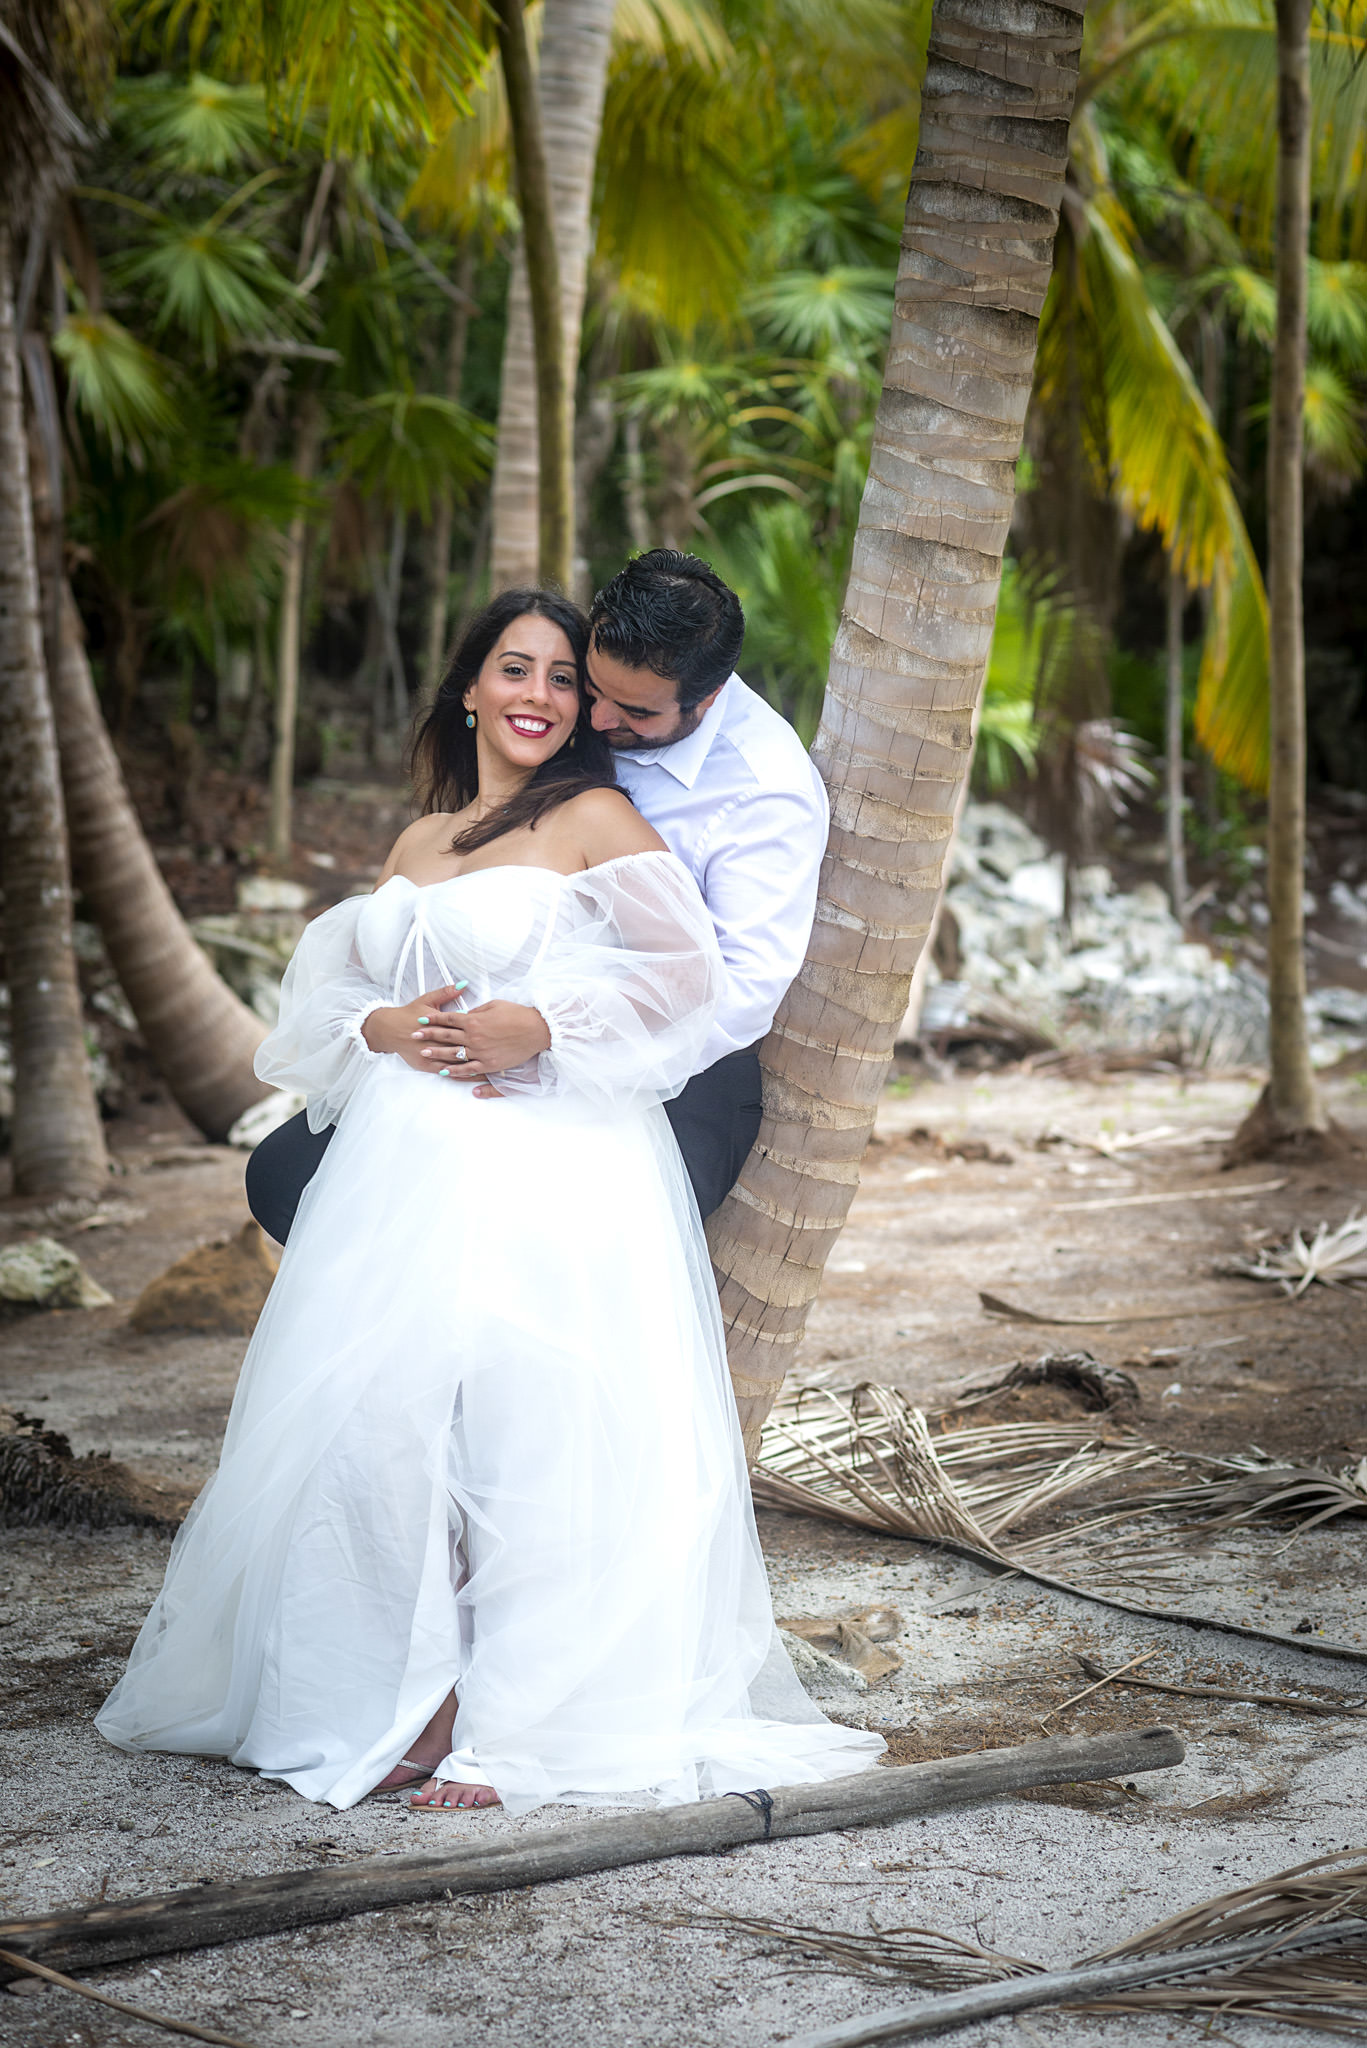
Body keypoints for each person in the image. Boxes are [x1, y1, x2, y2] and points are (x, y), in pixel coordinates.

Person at [97, 590, 882, 1815]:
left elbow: (689, 981)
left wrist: (546, 1026)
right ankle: (393, 1679)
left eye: (563, 680)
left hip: (545, 1148)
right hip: (401, 1164)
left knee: (522, 1424)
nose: (543, 696)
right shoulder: (418, 843)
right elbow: (327, 992)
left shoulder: (595, 812)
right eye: (516, 669)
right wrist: (380, 1021)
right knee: (379, 1413)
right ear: (468, 686)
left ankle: (501, 1711)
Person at [244, 550, 827, 1242]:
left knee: (509, 1203)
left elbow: (732, 990)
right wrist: (393, 1027)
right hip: (475, 1045)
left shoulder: (762, 790)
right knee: (289, 1177)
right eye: (589, 685)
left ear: (706, 698)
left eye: (633, 710)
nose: (598, 716)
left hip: (673, 1068)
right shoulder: (492, 793)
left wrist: (554, 1048)